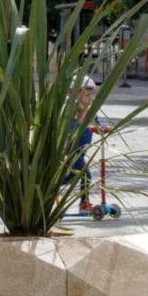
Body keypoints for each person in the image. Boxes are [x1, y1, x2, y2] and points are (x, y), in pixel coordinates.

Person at [64, 76, 109, 212]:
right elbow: (72, 128)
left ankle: (49, 189)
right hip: (73, 148)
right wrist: (89, 127)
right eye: (86, 95)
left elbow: (96, 123)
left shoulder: (89, 111)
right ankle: (84, 204)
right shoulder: (71, 111)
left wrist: (102, 128)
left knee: (73, 176)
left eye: (90, 95)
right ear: (73, 94)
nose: (89, 98)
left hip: (82, 149)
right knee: (85, 174)